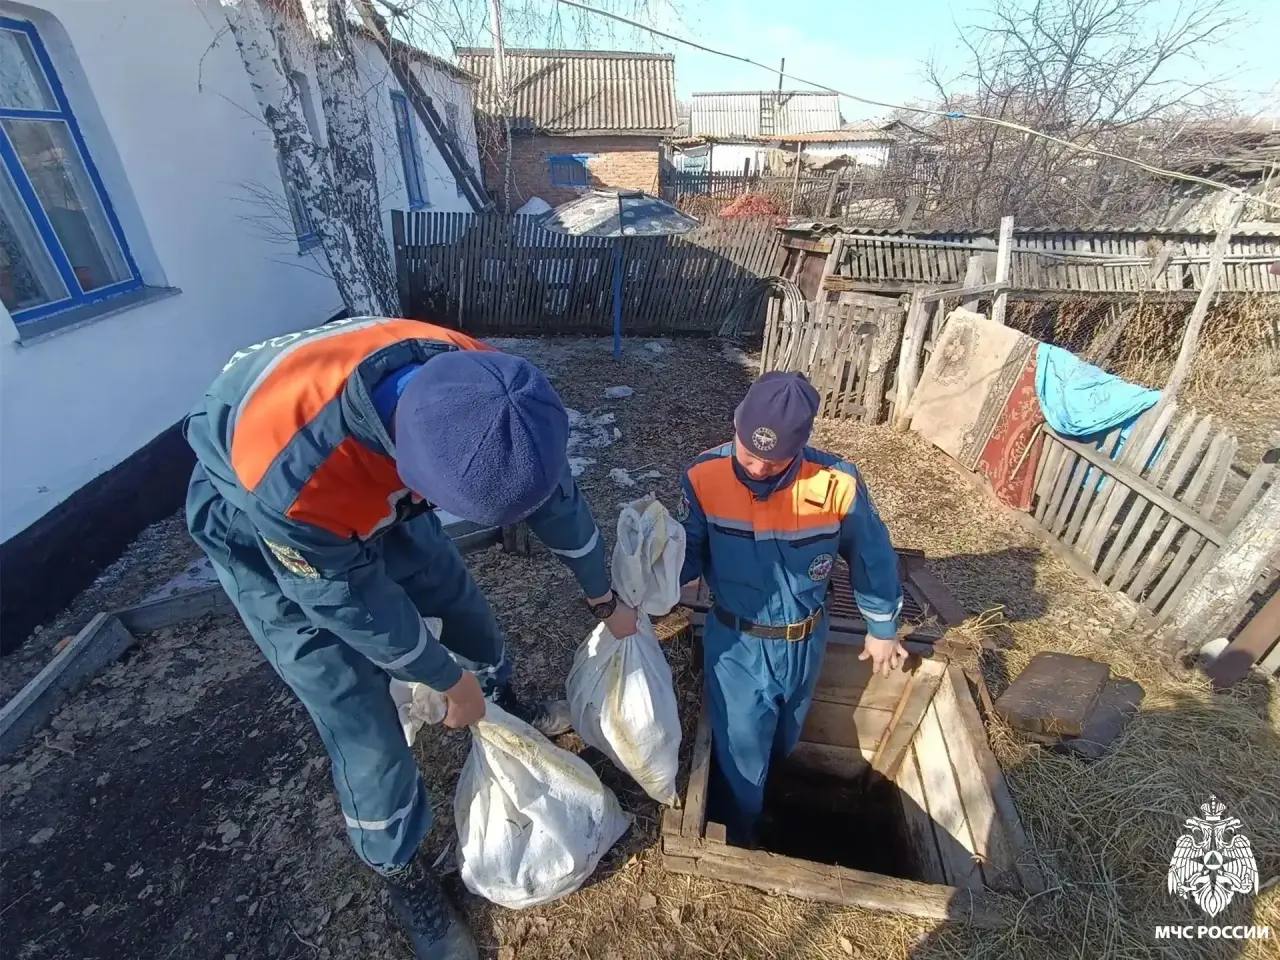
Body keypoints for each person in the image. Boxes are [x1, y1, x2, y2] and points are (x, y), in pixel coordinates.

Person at [183, 316, 637, 960]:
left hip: (378, 475)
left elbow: (550, 492)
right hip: (268, 526)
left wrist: (604, 595)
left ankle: (501, 702)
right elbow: (344, 598)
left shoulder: (491, 391)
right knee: (353, 704)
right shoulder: (289, 472)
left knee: (460, 606)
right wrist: (442, 679)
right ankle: (397, 868)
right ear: (415, 476)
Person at [676, 372, 905, 845]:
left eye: (773, 459)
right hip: (737, 642)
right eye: (748, 453)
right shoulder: (703, 476)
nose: (757, 468)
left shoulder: (837, 482)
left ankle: (767, 808)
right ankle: (741, 837)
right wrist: (649, 580)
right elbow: (685, 554)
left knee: (785, 738)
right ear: (736, 428)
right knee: (742, 752)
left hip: (806, 639)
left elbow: (872, 557)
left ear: (801, 446)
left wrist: (881, 627)